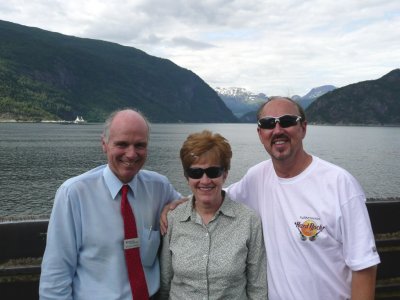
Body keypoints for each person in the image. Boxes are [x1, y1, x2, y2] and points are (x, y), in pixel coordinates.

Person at [161, 97, 380, 300]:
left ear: (303, 128)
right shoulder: (257, 177)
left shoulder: (340, 184)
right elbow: (214, 194)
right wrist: (177, 204)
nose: (277, 130)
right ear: (260, 133)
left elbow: (363, 267)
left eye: (286, 121)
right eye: (268, 124)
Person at [39, 109, 181, 300]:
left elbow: (198, 208)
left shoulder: (160, 188)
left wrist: (174, 206)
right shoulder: (74, 194)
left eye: (140, 145)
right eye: (122, 144)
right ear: (104, 144)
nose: (131, 154)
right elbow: (56, 273)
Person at [158, 130, 267, 299]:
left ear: (225, 174)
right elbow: (165, 281)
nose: (205, 180)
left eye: (213, 172)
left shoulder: (249, 221)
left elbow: (257, 288)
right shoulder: (173, 219)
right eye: (196, 172)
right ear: (186, 176)